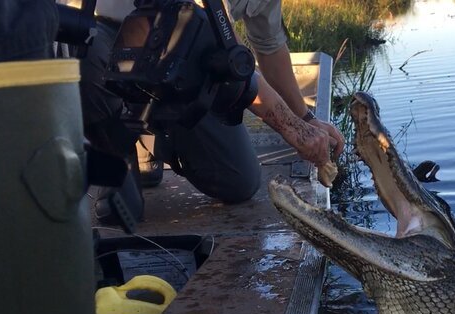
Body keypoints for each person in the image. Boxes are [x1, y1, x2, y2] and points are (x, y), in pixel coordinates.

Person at [81, 0, 344, 223]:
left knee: (238, 182)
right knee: (84, 54)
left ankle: (150, 137)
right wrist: (291, 127)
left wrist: (306, 118)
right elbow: (218, 46)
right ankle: (117, 154)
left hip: (179, 63)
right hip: (112, 40)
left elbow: (269, 47)